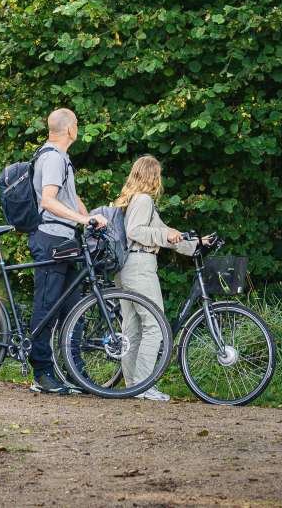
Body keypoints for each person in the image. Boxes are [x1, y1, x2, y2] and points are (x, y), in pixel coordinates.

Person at [27, 107, 106, 395]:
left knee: (74, 308)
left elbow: (71, 199)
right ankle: (42, 372)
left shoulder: (62, 159)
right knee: (47, 307)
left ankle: (74, 372)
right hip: (50, 238)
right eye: (78, 125)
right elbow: (48, 200)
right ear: (71, 130)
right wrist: (83, 220)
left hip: (66, 240)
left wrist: (91, 219)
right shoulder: (51, 158)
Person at [114, 155, 196, 401]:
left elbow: (163, 232)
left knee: (132, 328)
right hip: (139, 265)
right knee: (155, 326)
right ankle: (143, 385)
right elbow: (136, 232)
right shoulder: (144, 201)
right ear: (152, 176)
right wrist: (166, 236)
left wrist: (195, 244)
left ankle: (132, 386)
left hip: (126, 267)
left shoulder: (130, 200)